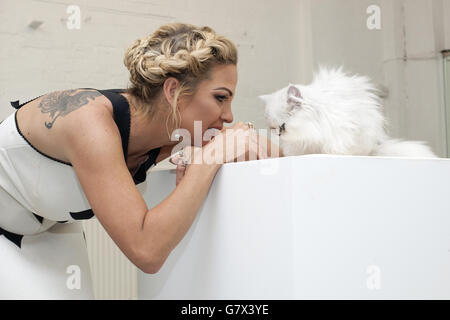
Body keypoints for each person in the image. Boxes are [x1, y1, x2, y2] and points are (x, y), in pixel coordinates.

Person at [0, 22, 282, 299]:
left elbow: (276, 157)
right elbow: (146, 252)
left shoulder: (174, 132)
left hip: (51, 228)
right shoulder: (88, 121)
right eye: (221, 98)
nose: (229, 116)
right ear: (173, 91)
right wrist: (208, 161)